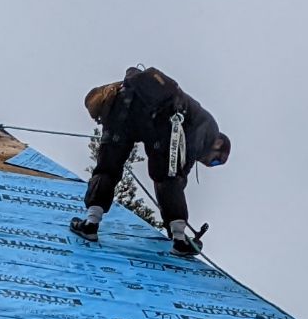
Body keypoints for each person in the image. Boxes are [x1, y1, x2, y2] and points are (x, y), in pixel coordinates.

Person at [72, 66, 228, 255]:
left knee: (107, 168)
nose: (210, 163)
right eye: (215, 161)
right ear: (219, 143)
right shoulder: (210, 129)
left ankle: (90, 223)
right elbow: (178, 170)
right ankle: (179, 240)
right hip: (159, 121)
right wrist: (175, 203)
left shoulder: (187, 112)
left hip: (123, 111)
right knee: (167, 178)